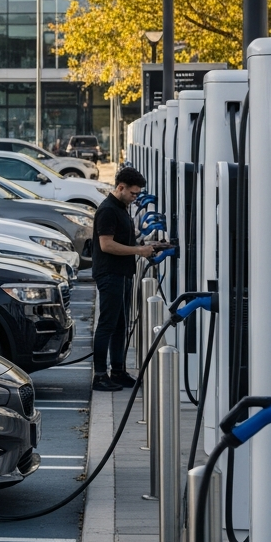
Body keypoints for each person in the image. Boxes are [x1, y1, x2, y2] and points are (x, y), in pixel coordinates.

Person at [91, 167, 156, 392]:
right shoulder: (108, 210)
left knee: (121, 325)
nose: (135, 198)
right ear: (120, 187)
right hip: (110, 273)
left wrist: (149, 246)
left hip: (122, 273)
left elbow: (124, 239)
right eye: (133, 193)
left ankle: (117, 371)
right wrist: (139, 251)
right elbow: (106, 244)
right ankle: (100, 375)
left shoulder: (121, 208)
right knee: (108, 324)